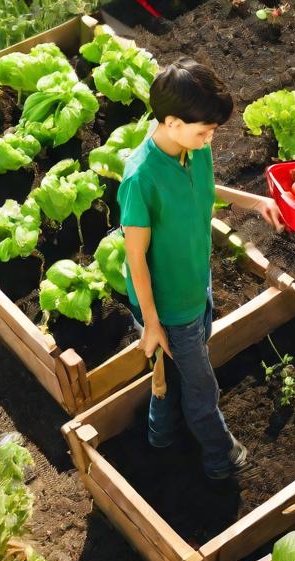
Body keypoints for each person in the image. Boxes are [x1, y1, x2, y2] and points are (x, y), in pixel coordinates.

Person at [119, 58, 283, 479]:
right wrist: (152, 323)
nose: (210, 138)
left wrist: (257, 201)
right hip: (169, 308)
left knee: (173, 372)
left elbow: (206, 191)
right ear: (172, 122)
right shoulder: (141, 178)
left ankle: (160, 433)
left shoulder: (193, 149)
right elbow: (135, 257)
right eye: (203, 130)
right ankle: (219, 456)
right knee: (200, 387)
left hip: (196, 286)